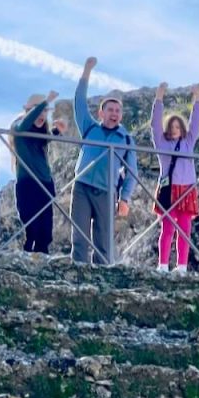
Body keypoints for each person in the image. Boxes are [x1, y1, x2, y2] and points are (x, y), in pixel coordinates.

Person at [71, 56, 139, 265]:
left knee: (103, 241)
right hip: (82, 186)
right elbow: (79, 103)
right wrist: (86, 72)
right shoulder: (90, 127)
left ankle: (101, 283)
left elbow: (132, 172)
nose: (114, 114)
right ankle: (79, 276)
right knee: (80, 237)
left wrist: (124, 198)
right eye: (110, 110)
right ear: (101, 113)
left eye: (118, 111)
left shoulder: (126, 139)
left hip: (107, 192)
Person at [151, 82, 199, 274]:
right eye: (171, 127)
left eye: (177, 126)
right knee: (167, 229)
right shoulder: (161, 143)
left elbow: (196, 123)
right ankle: (163, 264)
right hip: (168, 190)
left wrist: (197, 100)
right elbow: (154, 126)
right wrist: (159, 99)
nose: (174, 130)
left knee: (184, 230)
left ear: (182, 129)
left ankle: (181, 266)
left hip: (187, 189)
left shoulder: (188, 143)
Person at [10, 91, 66, 254]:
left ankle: (42, 258)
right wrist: (46, 102)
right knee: (30, 226)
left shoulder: (40, 133)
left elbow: (46, 138)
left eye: (45, 111)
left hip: (45, 183)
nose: (42, 114)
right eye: (39, 110)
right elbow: (24, 124)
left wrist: (57, 131)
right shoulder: (18, 126)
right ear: (28, 110)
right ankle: (27, 257)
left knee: (45, 230)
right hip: (28, 183)